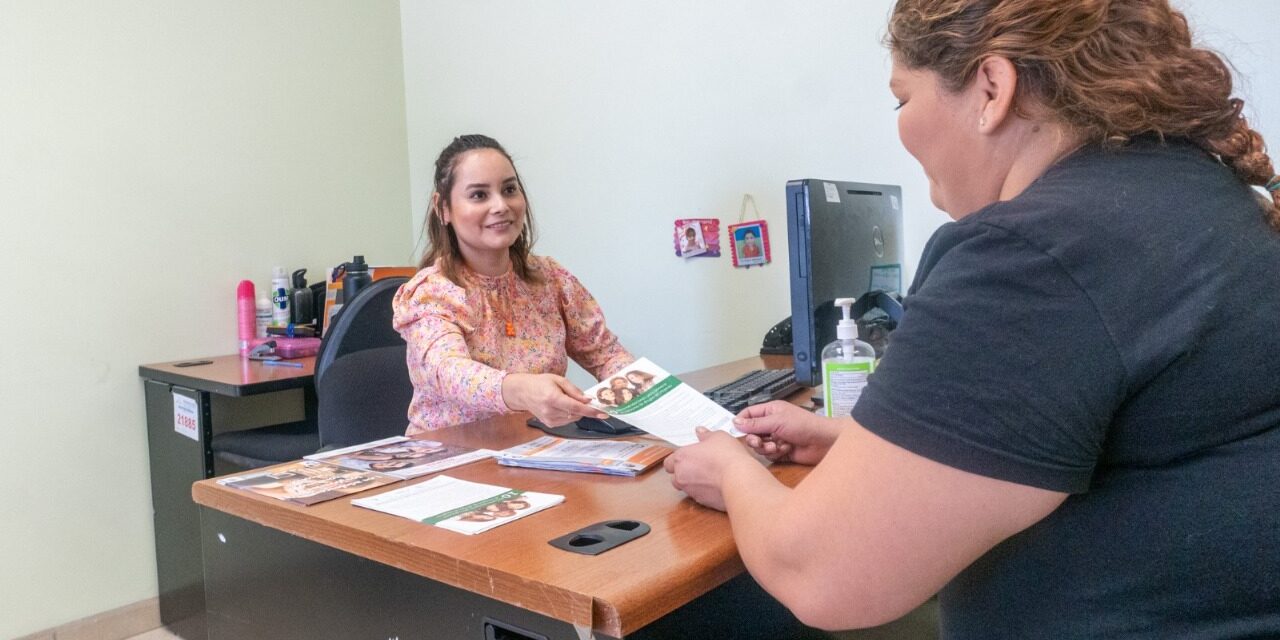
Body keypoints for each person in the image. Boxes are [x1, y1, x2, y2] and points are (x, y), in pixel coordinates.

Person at [664, 1, 1280, 637]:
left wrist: (732, 471)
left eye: (901, 100)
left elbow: (822, 577)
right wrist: (854, 442)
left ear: (992, 87)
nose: (901, 126)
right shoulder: (1193, 197)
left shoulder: (1038, 253)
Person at [393, 135, 635, 434]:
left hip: (536, 452)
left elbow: (607, 354)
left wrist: (658, 398)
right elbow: (449, 372)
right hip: (448, 461)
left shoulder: (552, 278)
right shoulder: (431, 292)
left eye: (509, 190)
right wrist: (521, 390)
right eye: (479, 195)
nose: (501, 206)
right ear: (443, 208)